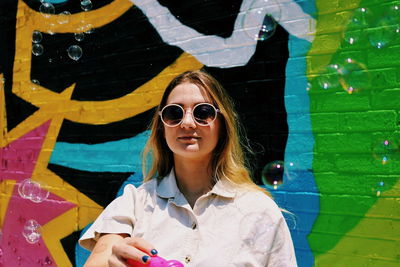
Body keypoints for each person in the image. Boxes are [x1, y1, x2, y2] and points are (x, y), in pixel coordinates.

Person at [79, 70, 297, 266]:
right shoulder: (135, 202)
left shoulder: (259, 210)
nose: (188, 123)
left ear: (222, 125)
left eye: (203, 112)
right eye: (174, 113)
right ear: (162, 127)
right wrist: (113, 260)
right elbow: (101, 256)